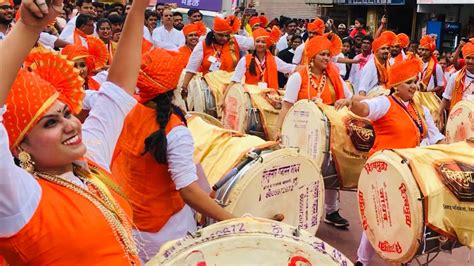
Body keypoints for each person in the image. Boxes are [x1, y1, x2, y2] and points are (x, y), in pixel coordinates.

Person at [0, 0, 149, 262]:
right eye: (50, 123)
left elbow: (118, 89)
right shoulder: (20, 199)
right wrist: (27, 28)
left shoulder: (88, 163)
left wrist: (138, 7)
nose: (70, 125)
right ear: (21, 146)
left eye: (66, 113)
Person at [111, 48, 235, 262]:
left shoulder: (128, 109)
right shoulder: (175, 131)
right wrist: (231, 221)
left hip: (130, 220)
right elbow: (188, 191)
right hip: (167, 229)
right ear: (174, 86)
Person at [335, 57, 445, 266]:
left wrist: (450, 146)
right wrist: (352, 102)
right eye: (409, 83)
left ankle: (396, 256)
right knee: (379, 214)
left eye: (415, 82)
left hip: (408, 171)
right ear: (396, 86)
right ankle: (363, 260)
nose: (414, 87)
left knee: (399, 216)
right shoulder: (385, 103)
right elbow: (365, 109)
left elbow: (433, 134)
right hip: (383, 170)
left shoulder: (419, 108)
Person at [275, 34, 353, 228]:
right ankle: (295, 212)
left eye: (328, 55)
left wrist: (346, 101)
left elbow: (350, 99)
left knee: (332, 169)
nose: (327, 59)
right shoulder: (297, 77)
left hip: (330, 131)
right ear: (312, 56)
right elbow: (286, 106)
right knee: (301, 171)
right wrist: (279, 130)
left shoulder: (334, 76)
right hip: (302, 132)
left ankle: (331, 210)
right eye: (322, 55)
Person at [180, 16, 254, 93]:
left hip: (231, 87)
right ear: (214, 33)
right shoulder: (203, 44)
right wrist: (184, 86)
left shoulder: (236, 40)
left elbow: (255, 43)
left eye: (227, 35)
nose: (224, 38)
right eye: (220, 35)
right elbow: (192, 68)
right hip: (209, 87)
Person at [230, 26, 295, 90]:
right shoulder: (245, 60)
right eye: (257, 41)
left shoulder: (274, 60)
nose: (260, 44)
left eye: (263, 42)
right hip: (251, 97)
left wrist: (303, 68)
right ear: (254, 43)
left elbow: (289, 68)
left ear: (267, 44)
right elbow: (235, 79)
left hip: (270, 96)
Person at [438, 38, 474, 121]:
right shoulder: (455, 77)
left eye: (473, 58)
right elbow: (446, 97)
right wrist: (438, 114)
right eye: (468, 58)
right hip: (458, 120)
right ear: (464, 58)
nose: (471, 61)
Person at [357, 31, 394, 95]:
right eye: (383, 49)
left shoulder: (388, 64)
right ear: (376, 52)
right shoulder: (370, 66)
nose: (386, 51)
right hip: (372, 98)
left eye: (387, 48)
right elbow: (362, 88)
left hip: (385, 95)